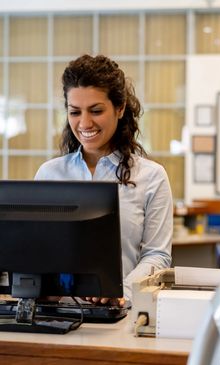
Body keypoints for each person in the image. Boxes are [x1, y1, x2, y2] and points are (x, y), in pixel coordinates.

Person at [35, 54, 173, 304]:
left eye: (96, 110)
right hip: (54, 316)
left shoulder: (152, 177)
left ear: (119, 109)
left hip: (119, 315)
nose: (84, 122)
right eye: (75, 112)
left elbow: (157, 256)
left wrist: (121, 292)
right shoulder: (49, 174)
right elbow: (35, 248)